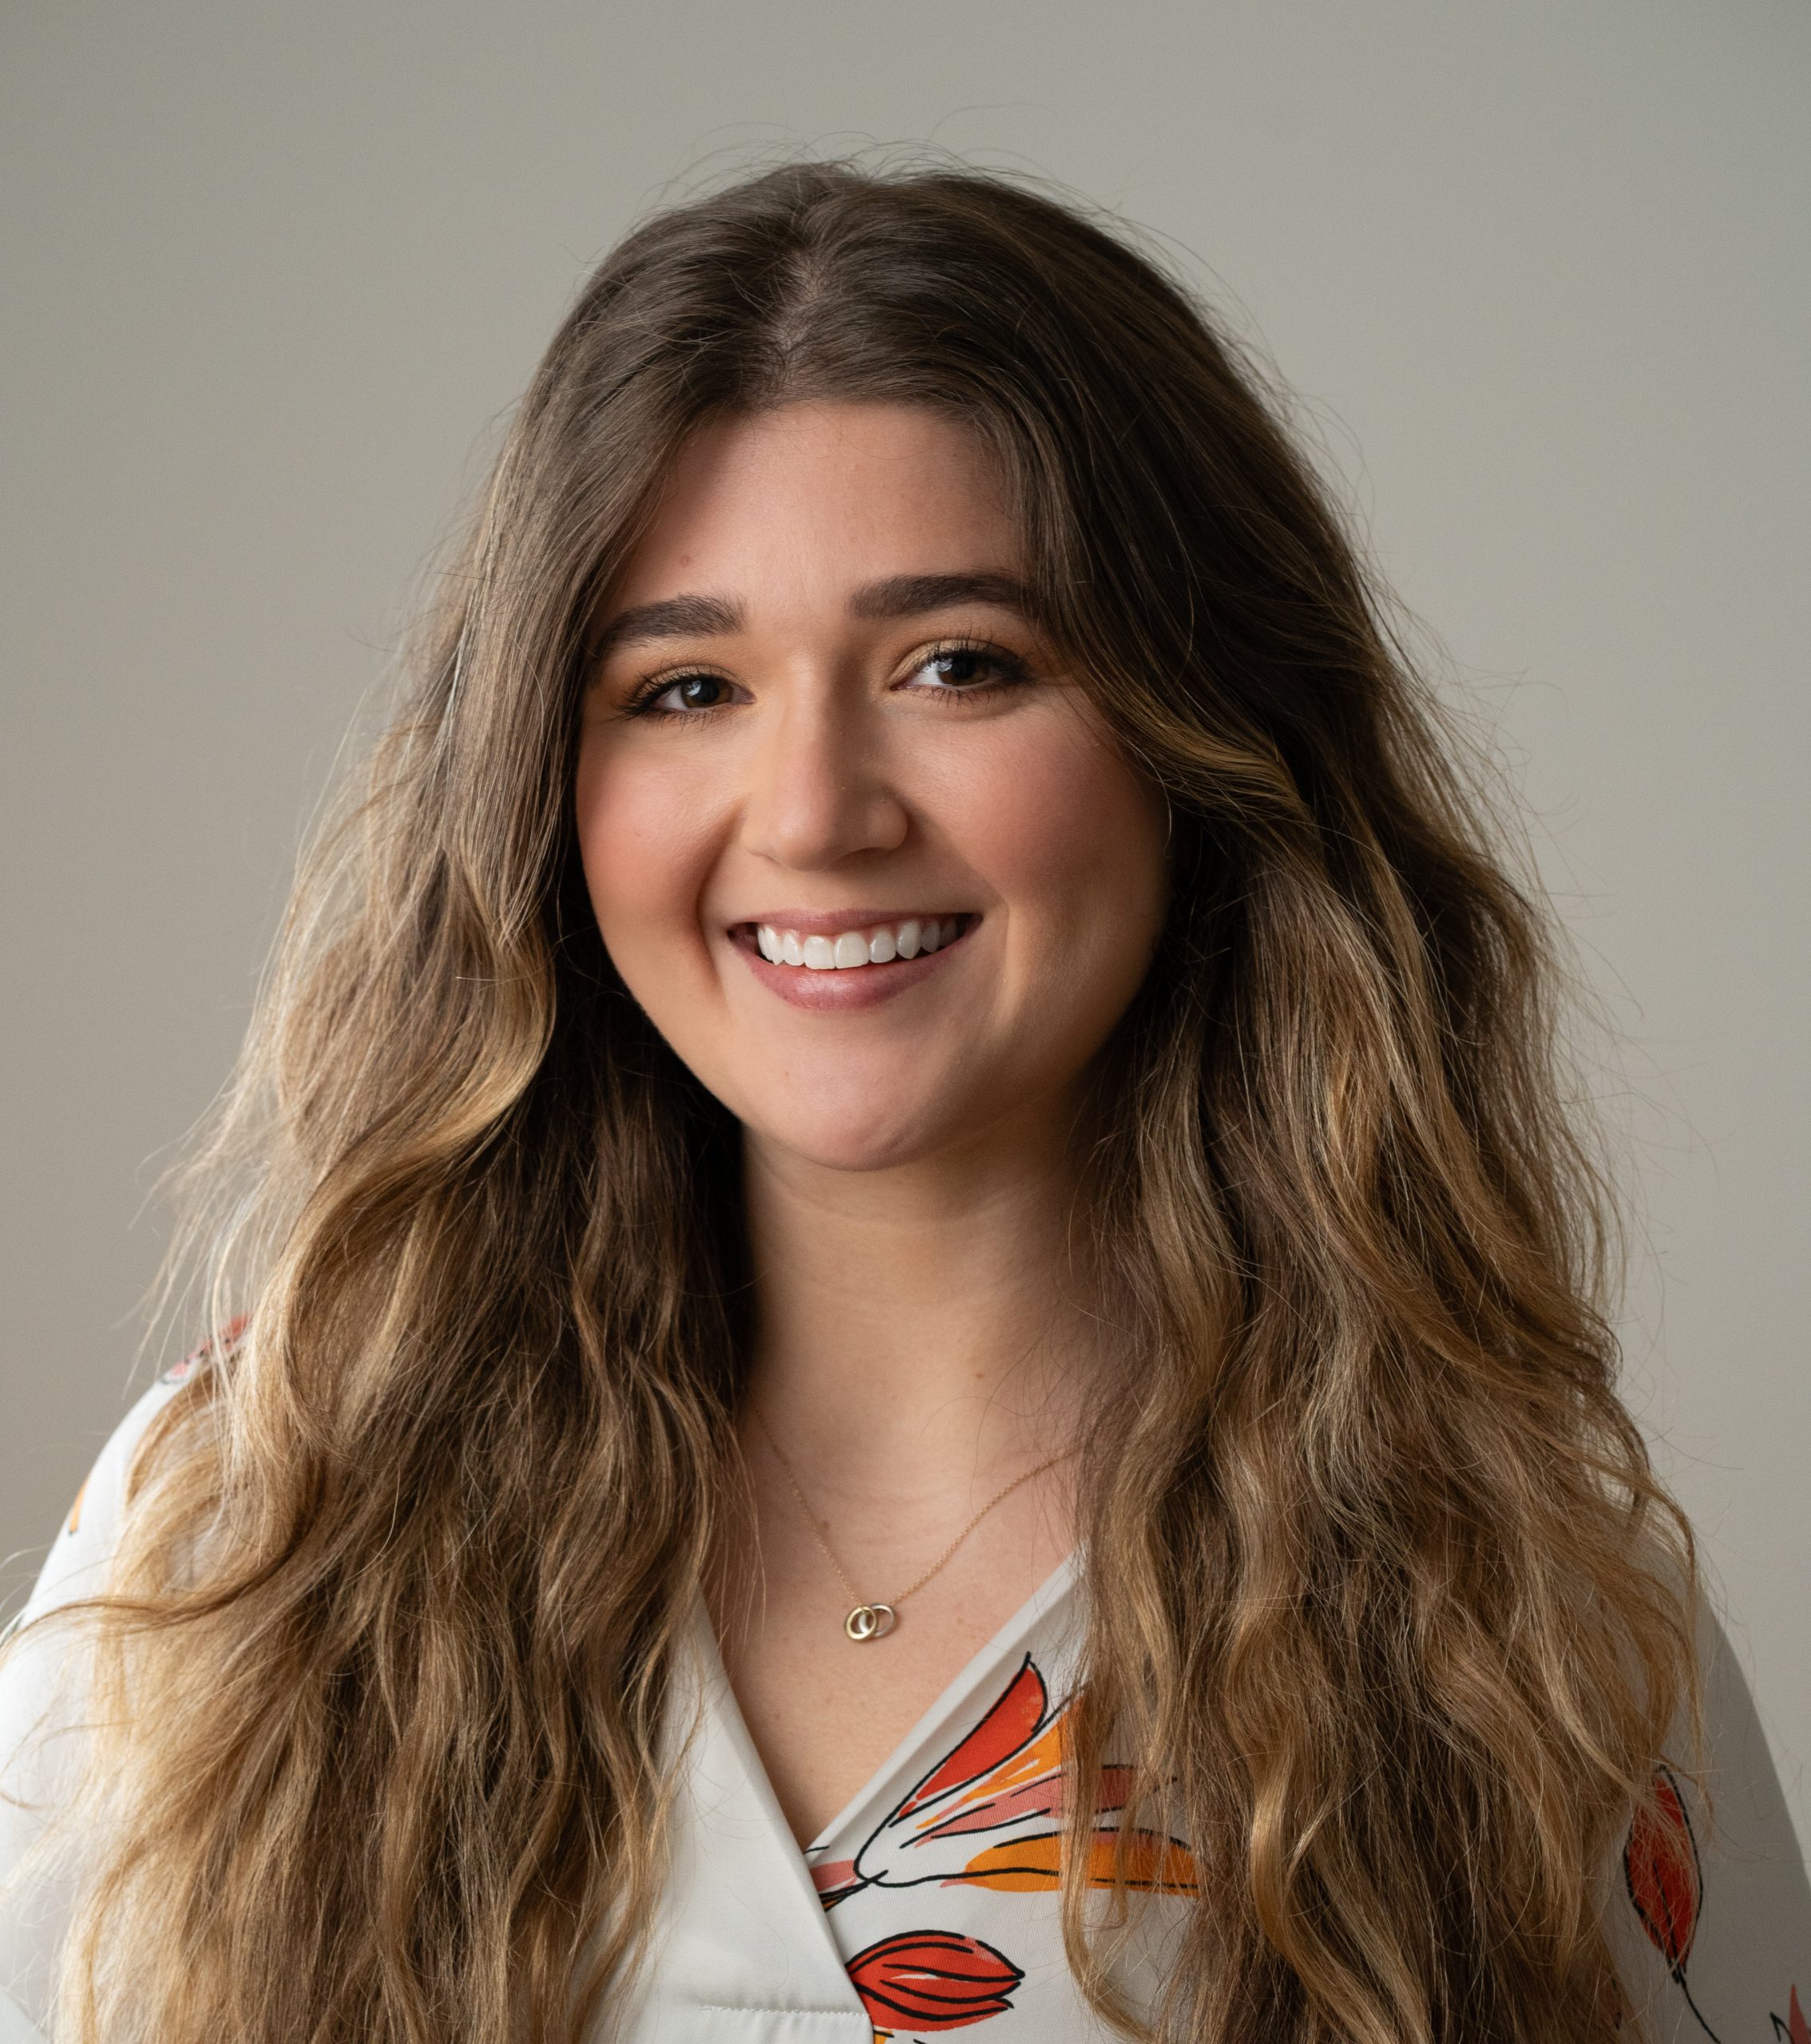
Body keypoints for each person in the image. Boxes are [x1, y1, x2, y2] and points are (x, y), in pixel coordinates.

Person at [0, 159, 1805, 2044]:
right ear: (546, 784)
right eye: (687, 687)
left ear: (1207, 739)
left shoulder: (1530, 1634)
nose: (814, 813)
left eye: (961, 663)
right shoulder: (233, 1538)